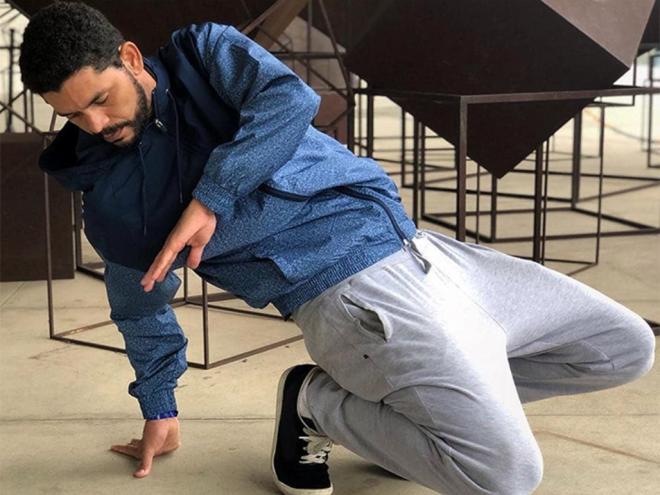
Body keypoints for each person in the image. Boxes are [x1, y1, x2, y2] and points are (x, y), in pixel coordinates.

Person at [19, 2, 655, 494]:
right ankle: (315, 404)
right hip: (353, 298)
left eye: (99, 100)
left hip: (428, 251)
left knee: (623, 348)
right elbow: (140, 305)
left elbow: (289, 99)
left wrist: (211, 197)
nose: (97, 126)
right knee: (505, 475)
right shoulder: (113, 198)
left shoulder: (204, 54)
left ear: (130, 58)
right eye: (72, 116)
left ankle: (410, 415)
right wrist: (160, 405)